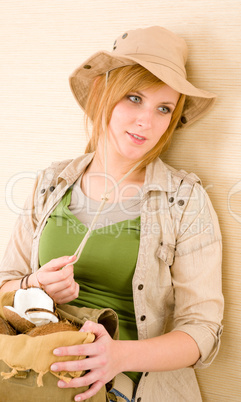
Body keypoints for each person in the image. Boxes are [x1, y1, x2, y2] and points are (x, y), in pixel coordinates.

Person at [0, 26, 224, 402]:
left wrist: (116, 356)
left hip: (125, 387)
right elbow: (5, 284)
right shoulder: (51, 182)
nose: (146, 121)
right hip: (30, 374)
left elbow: (203, 330)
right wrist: (34, 284)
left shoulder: (184, 199)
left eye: (163, 108)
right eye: (134, 98)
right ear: (103, 92)